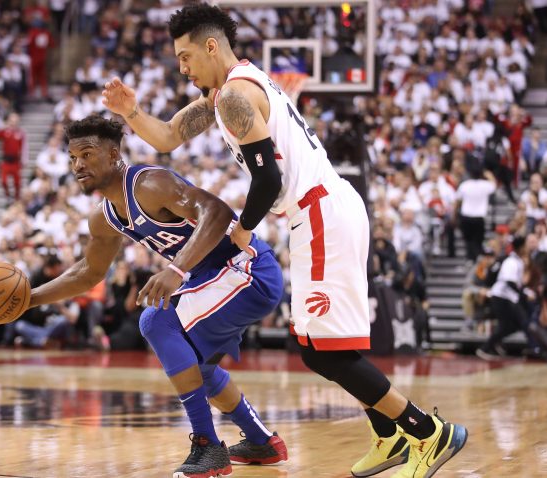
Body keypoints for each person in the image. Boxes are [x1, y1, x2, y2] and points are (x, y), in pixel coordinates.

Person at [101, 4, 467, 477]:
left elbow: (268, 180)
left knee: (319, 349)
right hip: (325, 209)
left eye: (186, 56)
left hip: (317, 213)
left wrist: (243, 228)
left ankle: (427, 432)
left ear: (212, 46)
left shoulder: (234, 95)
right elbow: (169, 136)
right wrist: (130, 111)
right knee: (323, 344)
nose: (183, 68)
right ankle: (389, 433)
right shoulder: (227, 93)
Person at [29, 116, 288, 477]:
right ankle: (262, 442)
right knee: (198, 367)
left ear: (113, 154)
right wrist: (28, 299)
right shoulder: (104, 218)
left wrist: (176, 269)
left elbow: (218, 211)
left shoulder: (149, 184)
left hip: (246, 268)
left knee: (156, 319)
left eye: (86, 154)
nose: (78, 165)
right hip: (214, 279)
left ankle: (208, 446)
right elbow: (87, 272)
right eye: (73, 157)